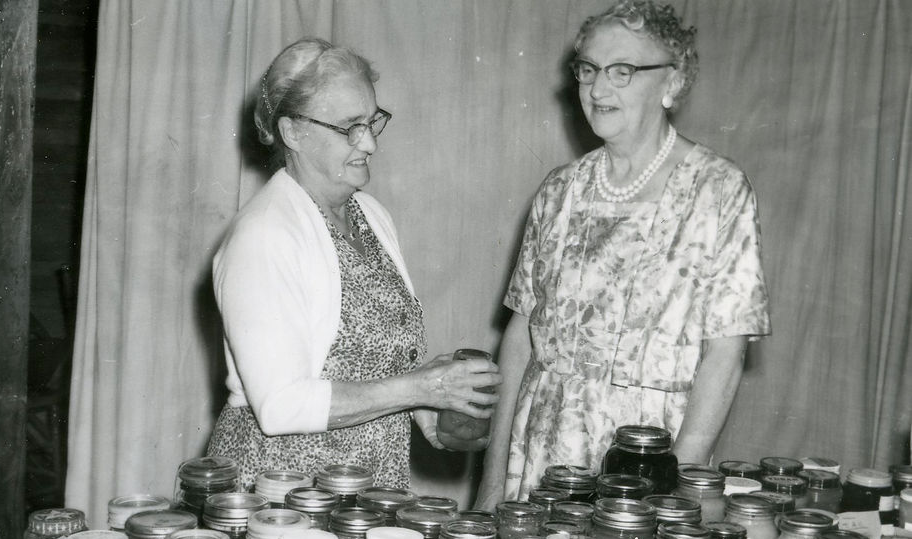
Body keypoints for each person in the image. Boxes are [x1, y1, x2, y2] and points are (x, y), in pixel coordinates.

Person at [475, 1, 770, 508]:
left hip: (649, 460)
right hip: (544, 455)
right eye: (588, 70)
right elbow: (520, 340)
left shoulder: (718, 190)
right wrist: (492, 483)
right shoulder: (559, 191)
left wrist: (680, 484)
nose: (597, 89)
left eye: (623, 71)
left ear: (672, 83)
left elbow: (725, 352)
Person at [208, 38, 500, 490]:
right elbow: (281, 405)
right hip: (284, 493)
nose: (369, 143)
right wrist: (421, 387)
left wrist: (431, 413)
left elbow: (371, 369)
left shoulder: (371, 215)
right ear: (293, 132)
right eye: (349, 127)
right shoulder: (265, 236)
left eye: (372, 121)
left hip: (367, 486)